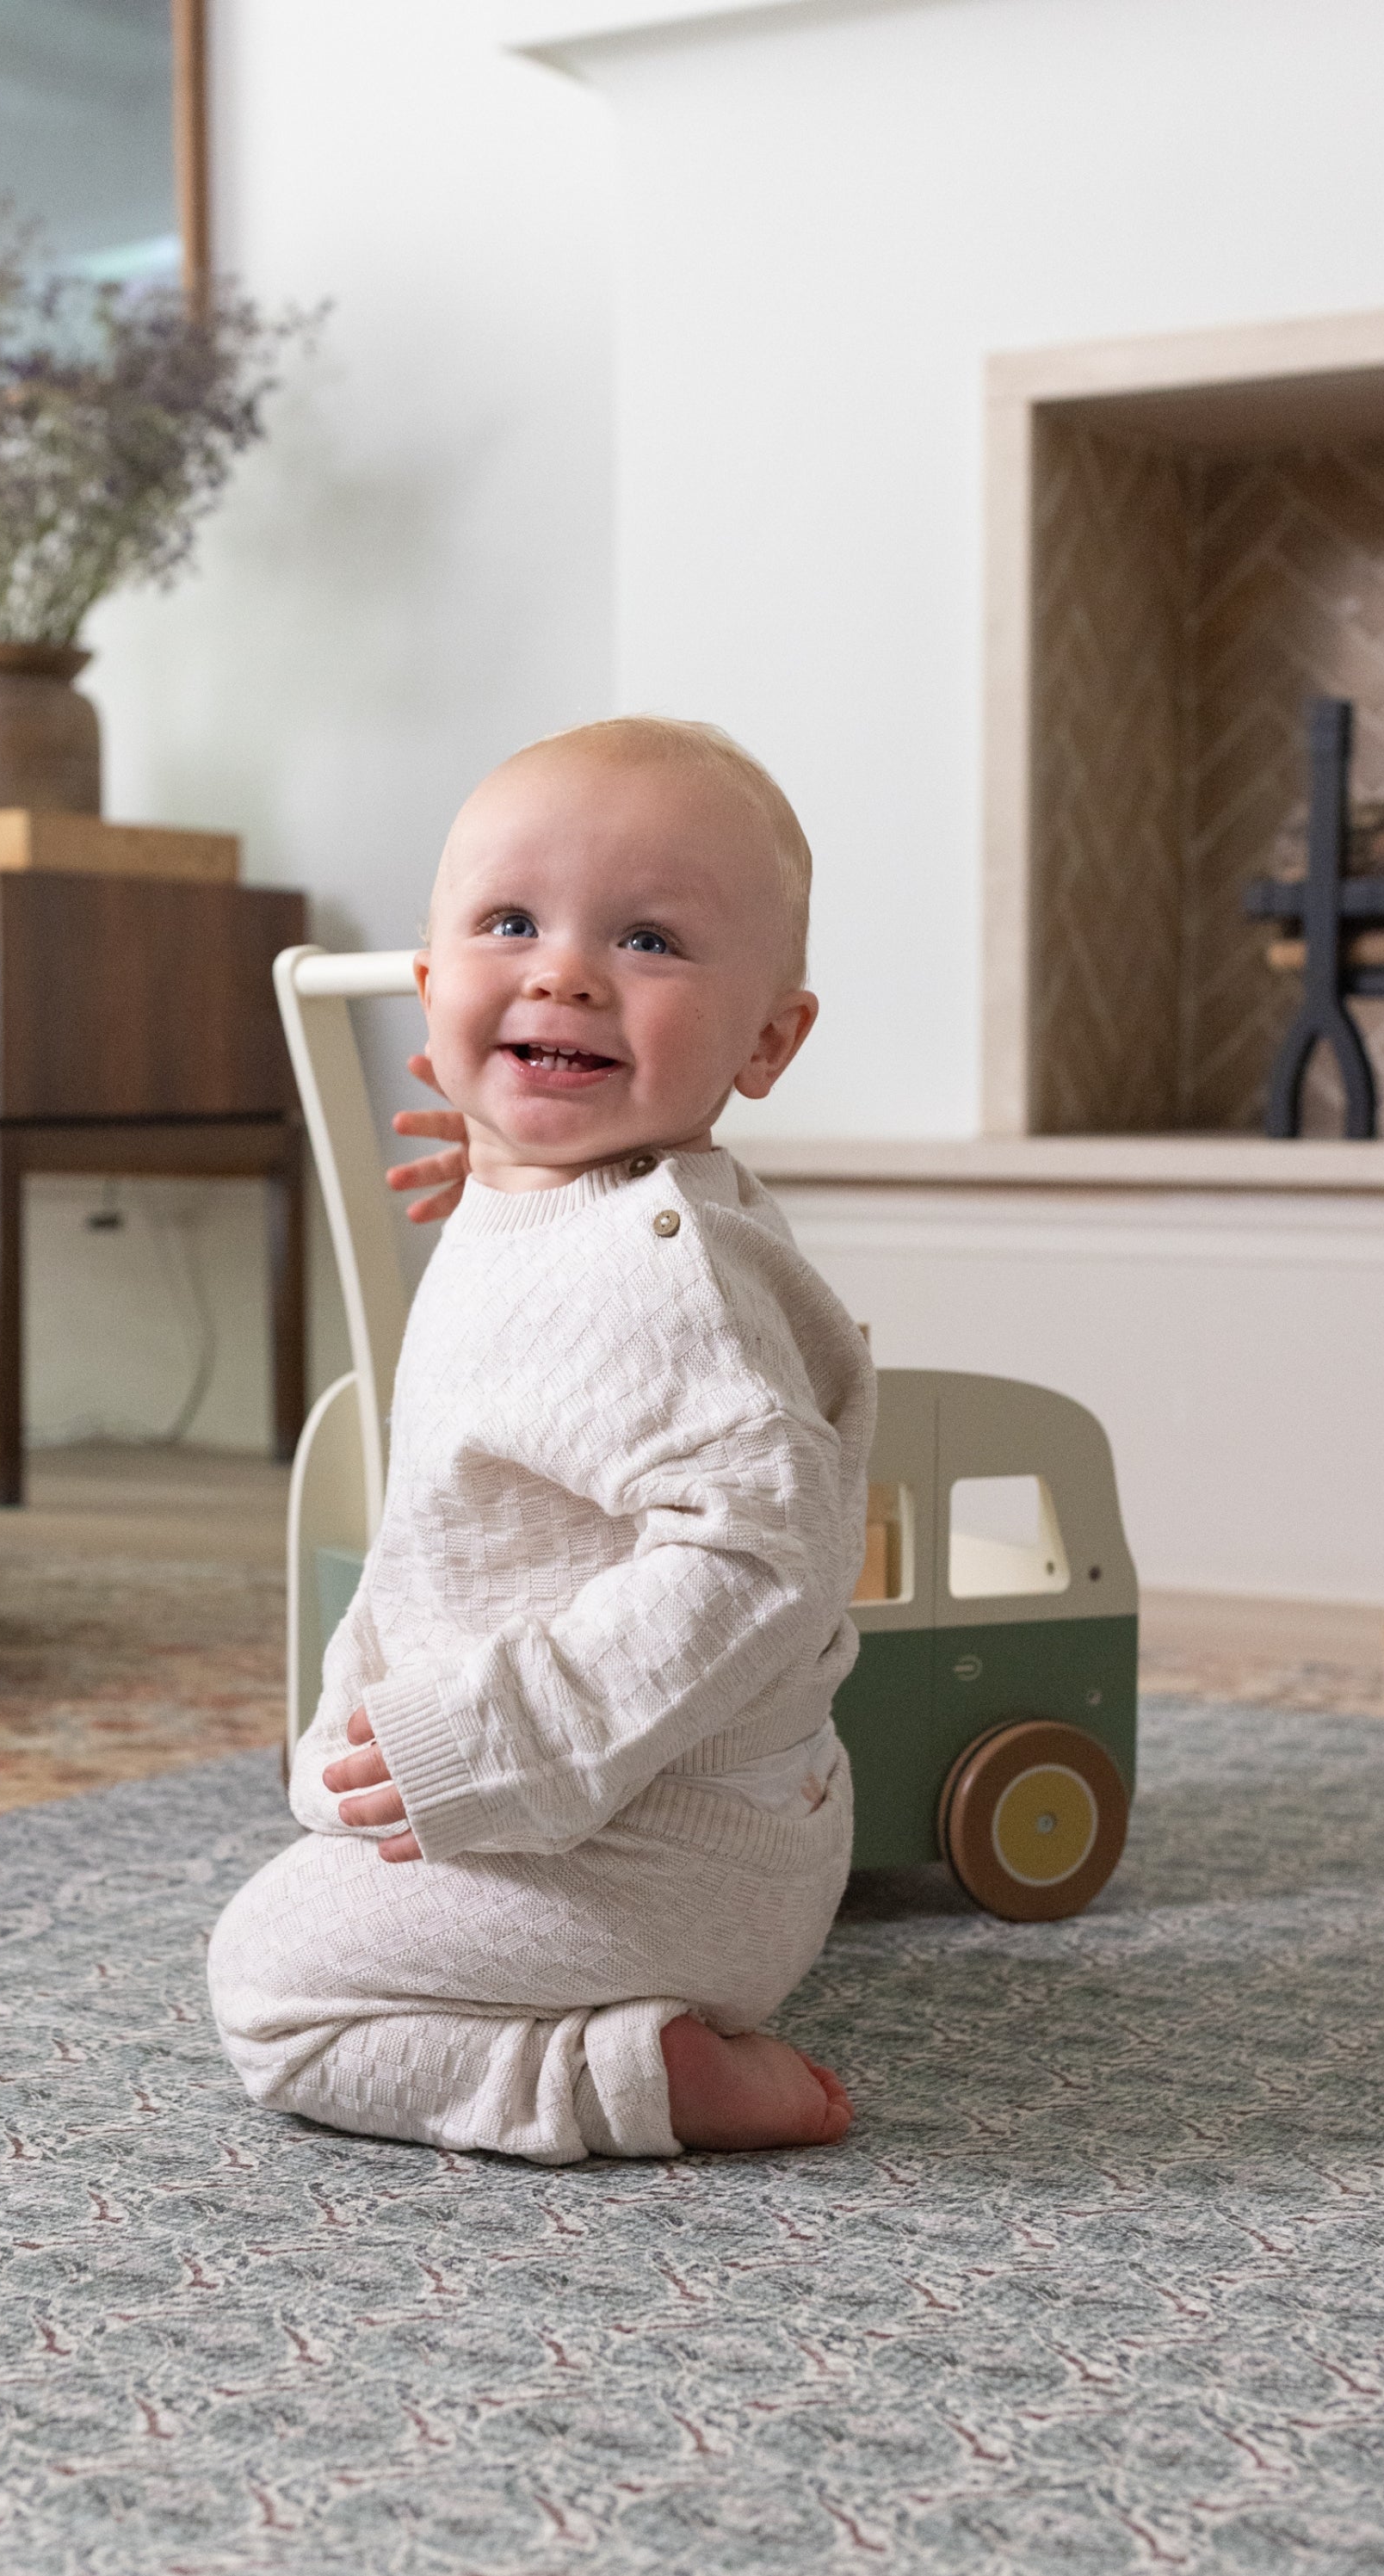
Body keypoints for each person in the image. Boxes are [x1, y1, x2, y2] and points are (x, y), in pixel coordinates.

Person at [206, 714, 874, 2164]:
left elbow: (766, 1555)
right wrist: (511, 1167)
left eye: (648, 942)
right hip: (661, 1811)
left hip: (650, 1842)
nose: (565, 969)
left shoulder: (651, 1267)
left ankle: (622, 2071)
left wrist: (504, 1739)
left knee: (267, 1982)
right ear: (435, 981)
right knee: (329, 1852)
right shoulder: (577, 1198)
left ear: (768, 1036)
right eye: (513, 921)